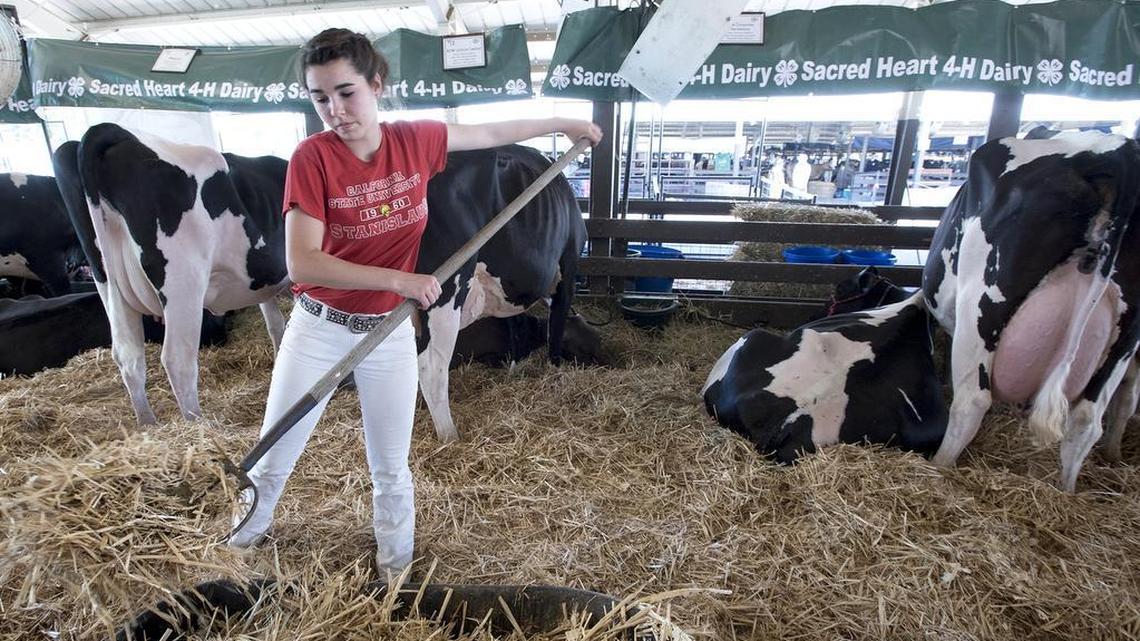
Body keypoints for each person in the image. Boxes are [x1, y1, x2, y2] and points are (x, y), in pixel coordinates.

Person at [226, 28, 602, 576]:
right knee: (275, 455)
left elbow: (492, 129)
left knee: (391, 467)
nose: (335, 110)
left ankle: (395, 572)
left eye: (346, 92)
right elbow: (302, 264)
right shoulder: (312, 159)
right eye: (320, 97)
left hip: (389, 335)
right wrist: (400, 280)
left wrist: (560, 122)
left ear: (376, 84)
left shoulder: (414, 142)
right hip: (320, 329)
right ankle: (234, 554)